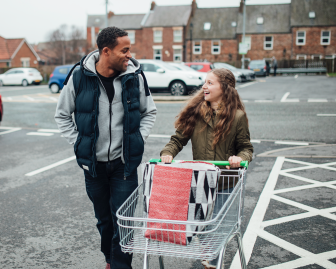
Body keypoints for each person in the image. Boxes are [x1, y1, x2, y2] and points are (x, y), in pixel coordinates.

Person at [55, 27, 157, 269]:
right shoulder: (79, 76)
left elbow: (149, 112)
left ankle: (121, 265)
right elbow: (62, 115)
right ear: (106, 51)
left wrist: (137, 139)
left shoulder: (135, 76)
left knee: (125, 221)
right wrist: (78, 142)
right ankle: (110, 259)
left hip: (125, 165)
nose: (129, 55)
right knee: (104, 220)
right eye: (124, 50)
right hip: (93, 166)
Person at [160, 68, 253, 269]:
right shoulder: (196, 113)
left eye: (210, 83)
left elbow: (246, 148)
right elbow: (177, 140)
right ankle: (209, 255)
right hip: (201, 180)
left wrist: (239, 158)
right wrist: (167, 153)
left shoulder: (237, 117)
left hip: (225, 181)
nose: (204, 86)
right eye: (204, 82)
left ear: (225, 88)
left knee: (217, 226)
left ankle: (211, 262)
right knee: (199, 226)